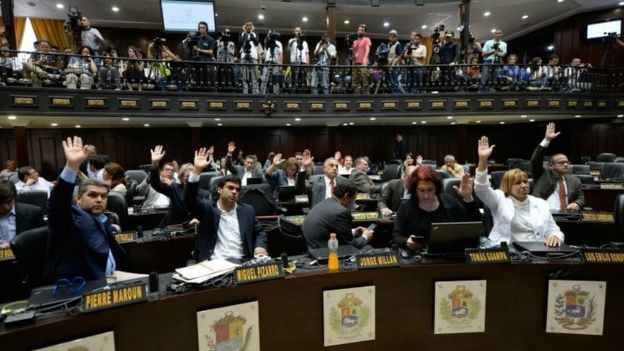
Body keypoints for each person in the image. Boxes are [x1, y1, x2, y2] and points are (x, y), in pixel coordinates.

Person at [43, 136, 127, 283]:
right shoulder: (71, 217)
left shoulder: (104, 218)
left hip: (113, 277)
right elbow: (58, 203)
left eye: (103, 196)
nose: (99, 200)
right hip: (81, 284)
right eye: (93, 195)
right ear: (79, 199)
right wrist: (71, 167)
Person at [474, 136, 564, 247]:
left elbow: (554, 230)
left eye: (525, 182)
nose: (523, 185)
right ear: (507, 186)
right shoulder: (499, 199)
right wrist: (482, 160)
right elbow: (481, 188)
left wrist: (555, 236)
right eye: (517, 183)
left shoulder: (541, 204)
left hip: (537, 251)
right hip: (509, 250)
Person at [185, 147, 268, 262]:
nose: (234, 191)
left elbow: (259, 231)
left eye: (237, 189)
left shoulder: (247, 210)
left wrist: (260, 246)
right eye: (230, 188)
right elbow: (189, 200)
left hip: (241, 263)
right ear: (219, 190)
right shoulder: (207, 209)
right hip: (214, 263)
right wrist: (197, 171)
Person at [392, 166, 480, 251]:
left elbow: (473, 224)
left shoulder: (448, 201)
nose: (426, 195)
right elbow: (396, 236)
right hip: (417, 258)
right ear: (415, 189)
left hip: (449, 256)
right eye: (421, 190)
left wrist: (468, 197)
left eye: (430, 190)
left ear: (436, 188)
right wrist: (406, 242)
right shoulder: (406, 207)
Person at [302, 180, 374, 249]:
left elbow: (331, 229)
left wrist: (354, 232)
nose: (354, 203)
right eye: (353, 198)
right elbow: (350, 246)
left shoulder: (326, 202)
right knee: (368, 248)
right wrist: (365, 237)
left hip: (312, 246)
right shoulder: (341, 212)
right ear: (346, 196)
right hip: (323, 251)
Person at [529, 122, 585, 212]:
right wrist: (547, 139)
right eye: (561, 163)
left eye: (567, 162)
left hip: (566, 216)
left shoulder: (575, 181)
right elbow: (535, 160)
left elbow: (581, 198)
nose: (566, 164)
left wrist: (577, 203)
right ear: (551, 165)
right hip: (543, 215)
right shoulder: (542, 175)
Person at [149, 146, 208, 228]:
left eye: (192, 176)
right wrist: (155, 164)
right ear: (181, 177)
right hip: (173, 228)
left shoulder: (205, 194)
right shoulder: (174, 188)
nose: (189, 179)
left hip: (194, 229)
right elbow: (156, 184)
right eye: (187, 176)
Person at [0, 180, 45, 247]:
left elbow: (41, 242)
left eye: (8, 202)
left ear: (15, 197)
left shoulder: (33, 213)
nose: (5, 207)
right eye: (0, 203)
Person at [239, 19, 261, 94]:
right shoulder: (241, 33)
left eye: (250, 25)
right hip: (243, 55)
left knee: (255, 74)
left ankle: (256, 92)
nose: (248, 27)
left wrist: (251, 33)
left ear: (252, 26)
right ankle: (245, 92)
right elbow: (241, 42)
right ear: (244, 26)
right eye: (247, 25)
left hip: (253, 55)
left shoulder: (255, 34)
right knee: (244, 74)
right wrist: (245, 33)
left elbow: (256, 43)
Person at [260, 29, 283, 95]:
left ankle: (276, 94)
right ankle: (262, 94)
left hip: (276, 63)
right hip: (267, 62)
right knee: (264, 79)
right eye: (269, 33)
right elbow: (264, 55)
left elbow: (281, 54)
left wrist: (280, 65)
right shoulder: (267, 42)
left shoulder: (278, 43)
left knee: (276, 80)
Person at [352, 24, 371, 94]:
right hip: (355, 63)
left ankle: (367, 99)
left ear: (364, 32)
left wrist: (364, 60)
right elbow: (354, 52)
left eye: (362, 30)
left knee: (365, 82)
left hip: (363, 63)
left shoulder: (366, 39)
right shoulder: (354, 42)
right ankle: (356, 98)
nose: (360, 31)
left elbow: (367, 50)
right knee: (355, 83)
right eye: (359, 30)